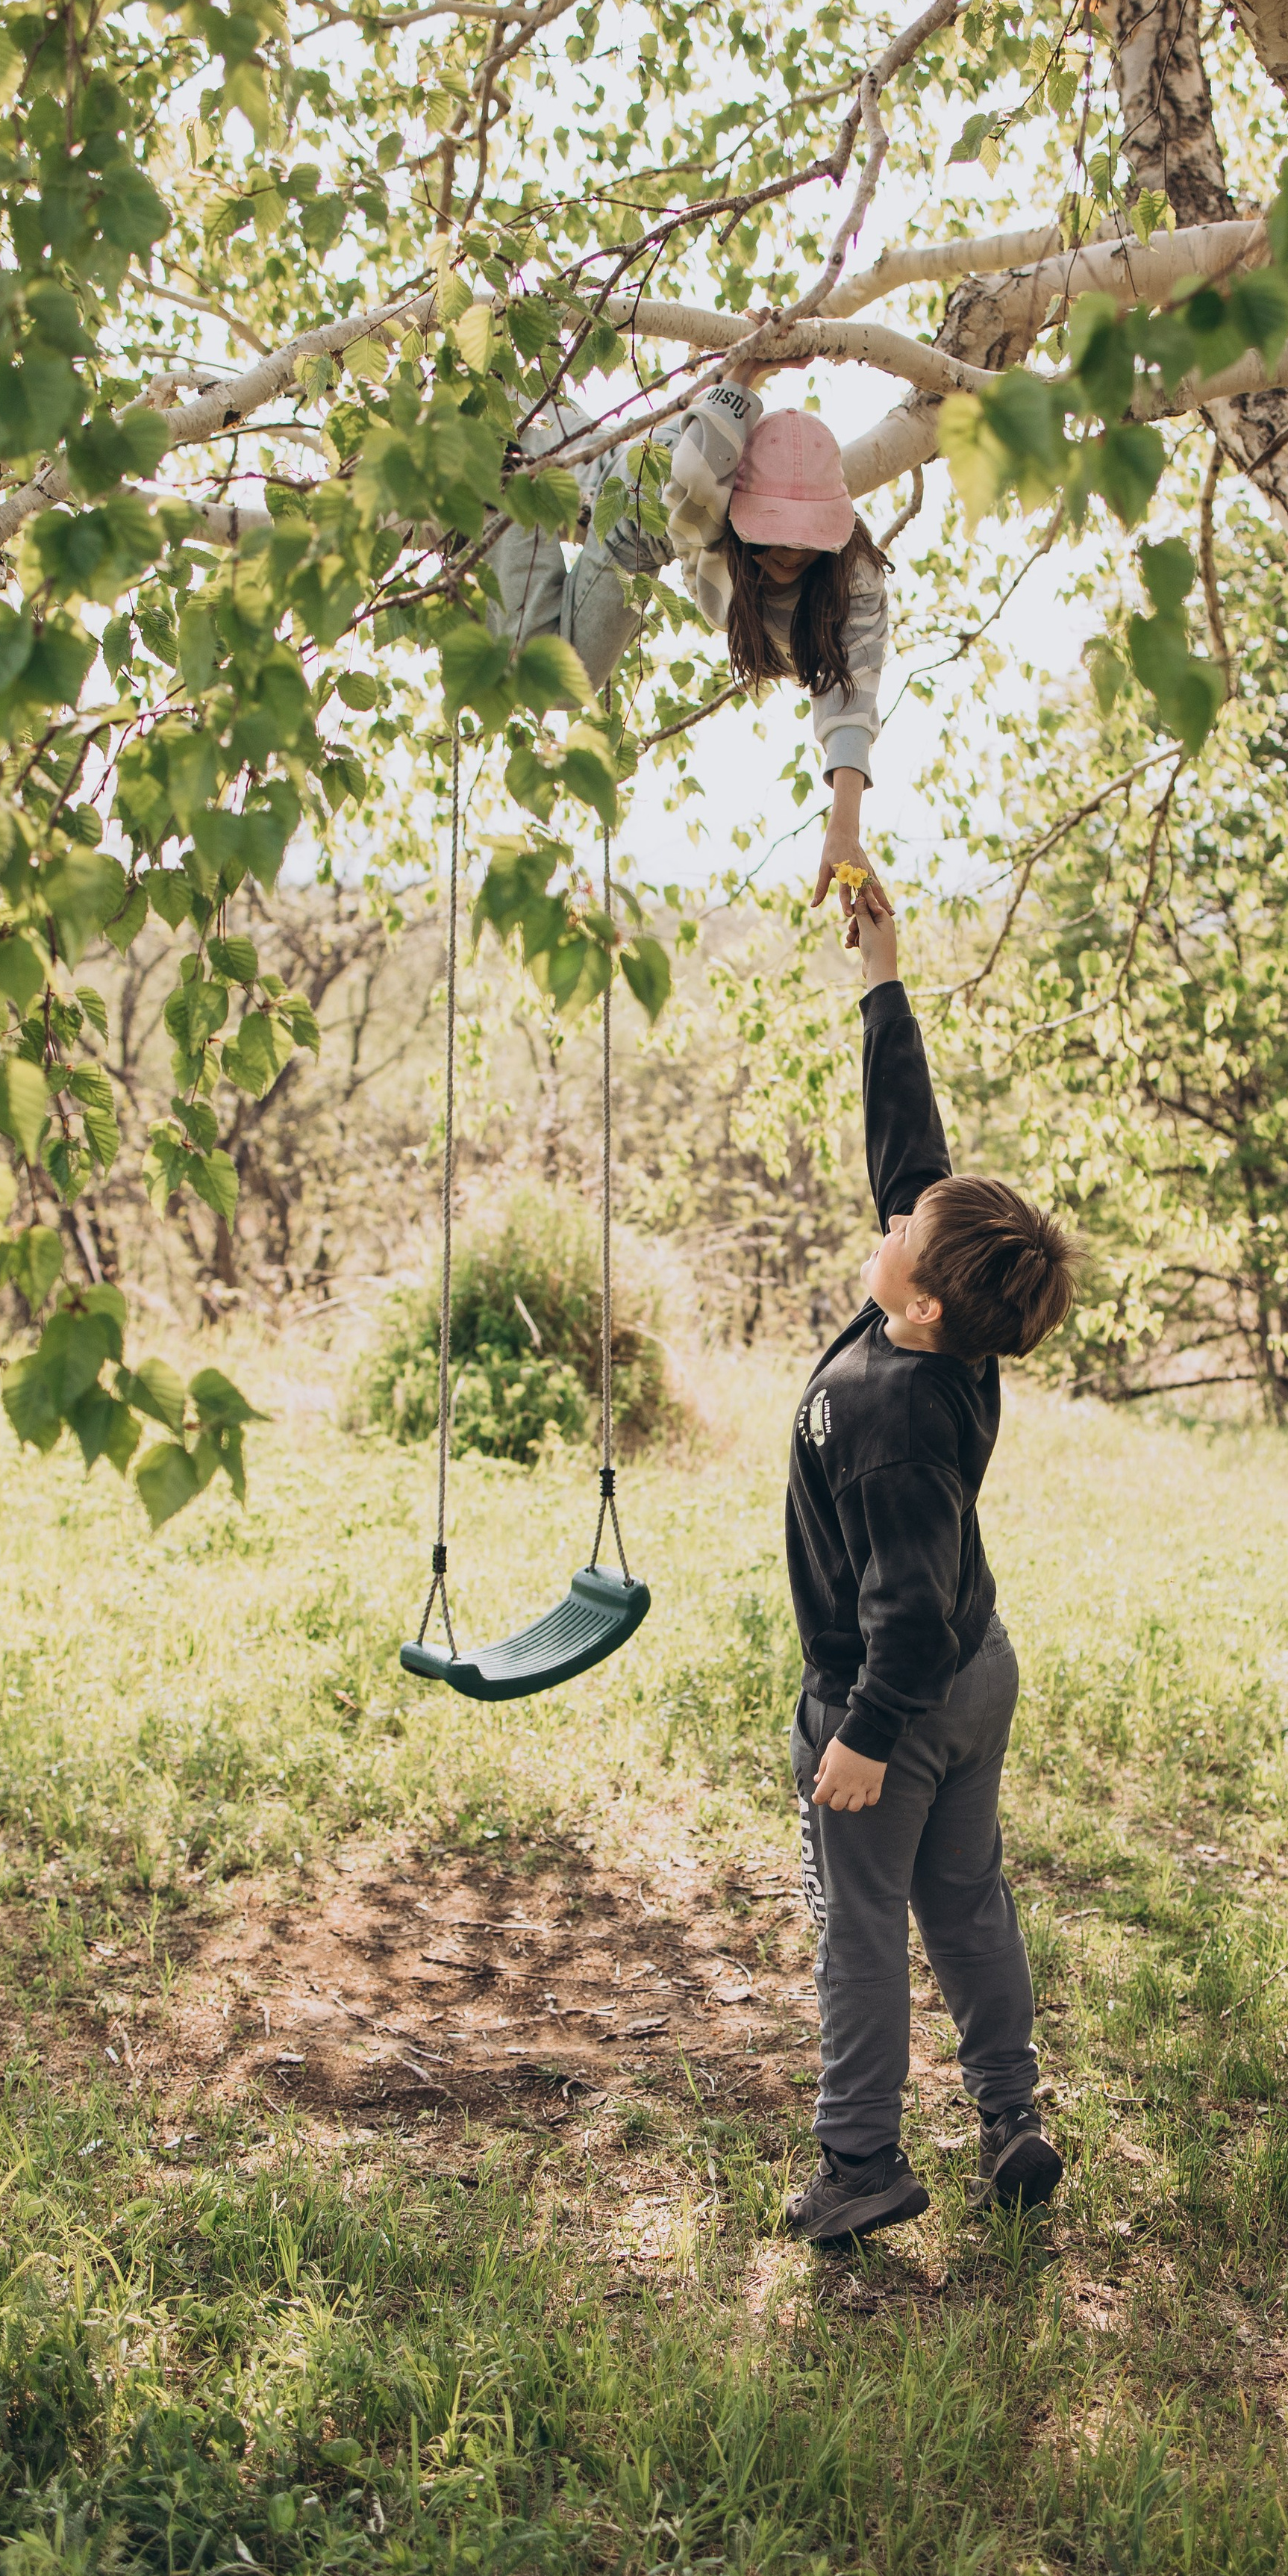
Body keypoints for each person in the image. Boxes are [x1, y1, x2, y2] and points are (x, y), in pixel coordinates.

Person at [782, 886, 1077, 2247]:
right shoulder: (941, 1330)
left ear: (922, 1293)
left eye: (907, 1228)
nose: (893, 1213)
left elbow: (897, 1614)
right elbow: (914, 1147)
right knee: (966, 1898)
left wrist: (860, 1738)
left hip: (900, 1694)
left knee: (865, 1924)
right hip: (980, 1670)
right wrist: (883, 981)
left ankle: (862, 2163)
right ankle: (1010, 2116)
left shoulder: (897, 1420)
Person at [489, 359, 891, 909]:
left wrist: (844, 831)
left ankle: (520, 405)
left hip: (660, 459)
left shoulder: (857, 580)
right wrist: (748, 370)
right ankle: (502, 476)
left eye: (805, 539)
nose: (790, 553)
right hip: (646, 510)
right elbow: (696, 474)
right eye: (773, 534)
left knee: (594, 459)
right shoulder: (709, 499)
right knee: (558, 678)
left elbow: (851, 697)